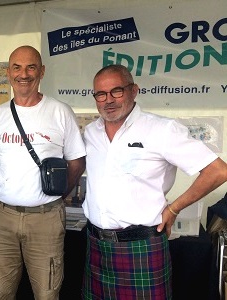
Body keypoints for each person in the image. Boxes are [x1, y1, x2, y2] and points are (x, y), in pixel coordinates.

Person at [82, 64, 227, 299]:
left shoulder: (161, 129)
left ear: (134, 90)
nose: (108, 100)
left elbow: (218, 171)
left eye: (116, 91)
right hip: (97, 246)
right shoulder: (90, 132)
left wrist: (173, 208)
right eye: (100, 94)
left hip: (141, 247)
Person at [0, 45, 86, 299]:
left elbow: (77, 162)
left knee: (47, 293)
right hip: (1, 220)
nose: (23, 74)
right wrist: (10, 192)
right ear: (8, 73)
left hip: (46, 219)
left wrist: (57, 196)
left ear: (42, 72)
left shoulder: (60, 112)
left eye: (31, 67)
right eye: (17, 67)